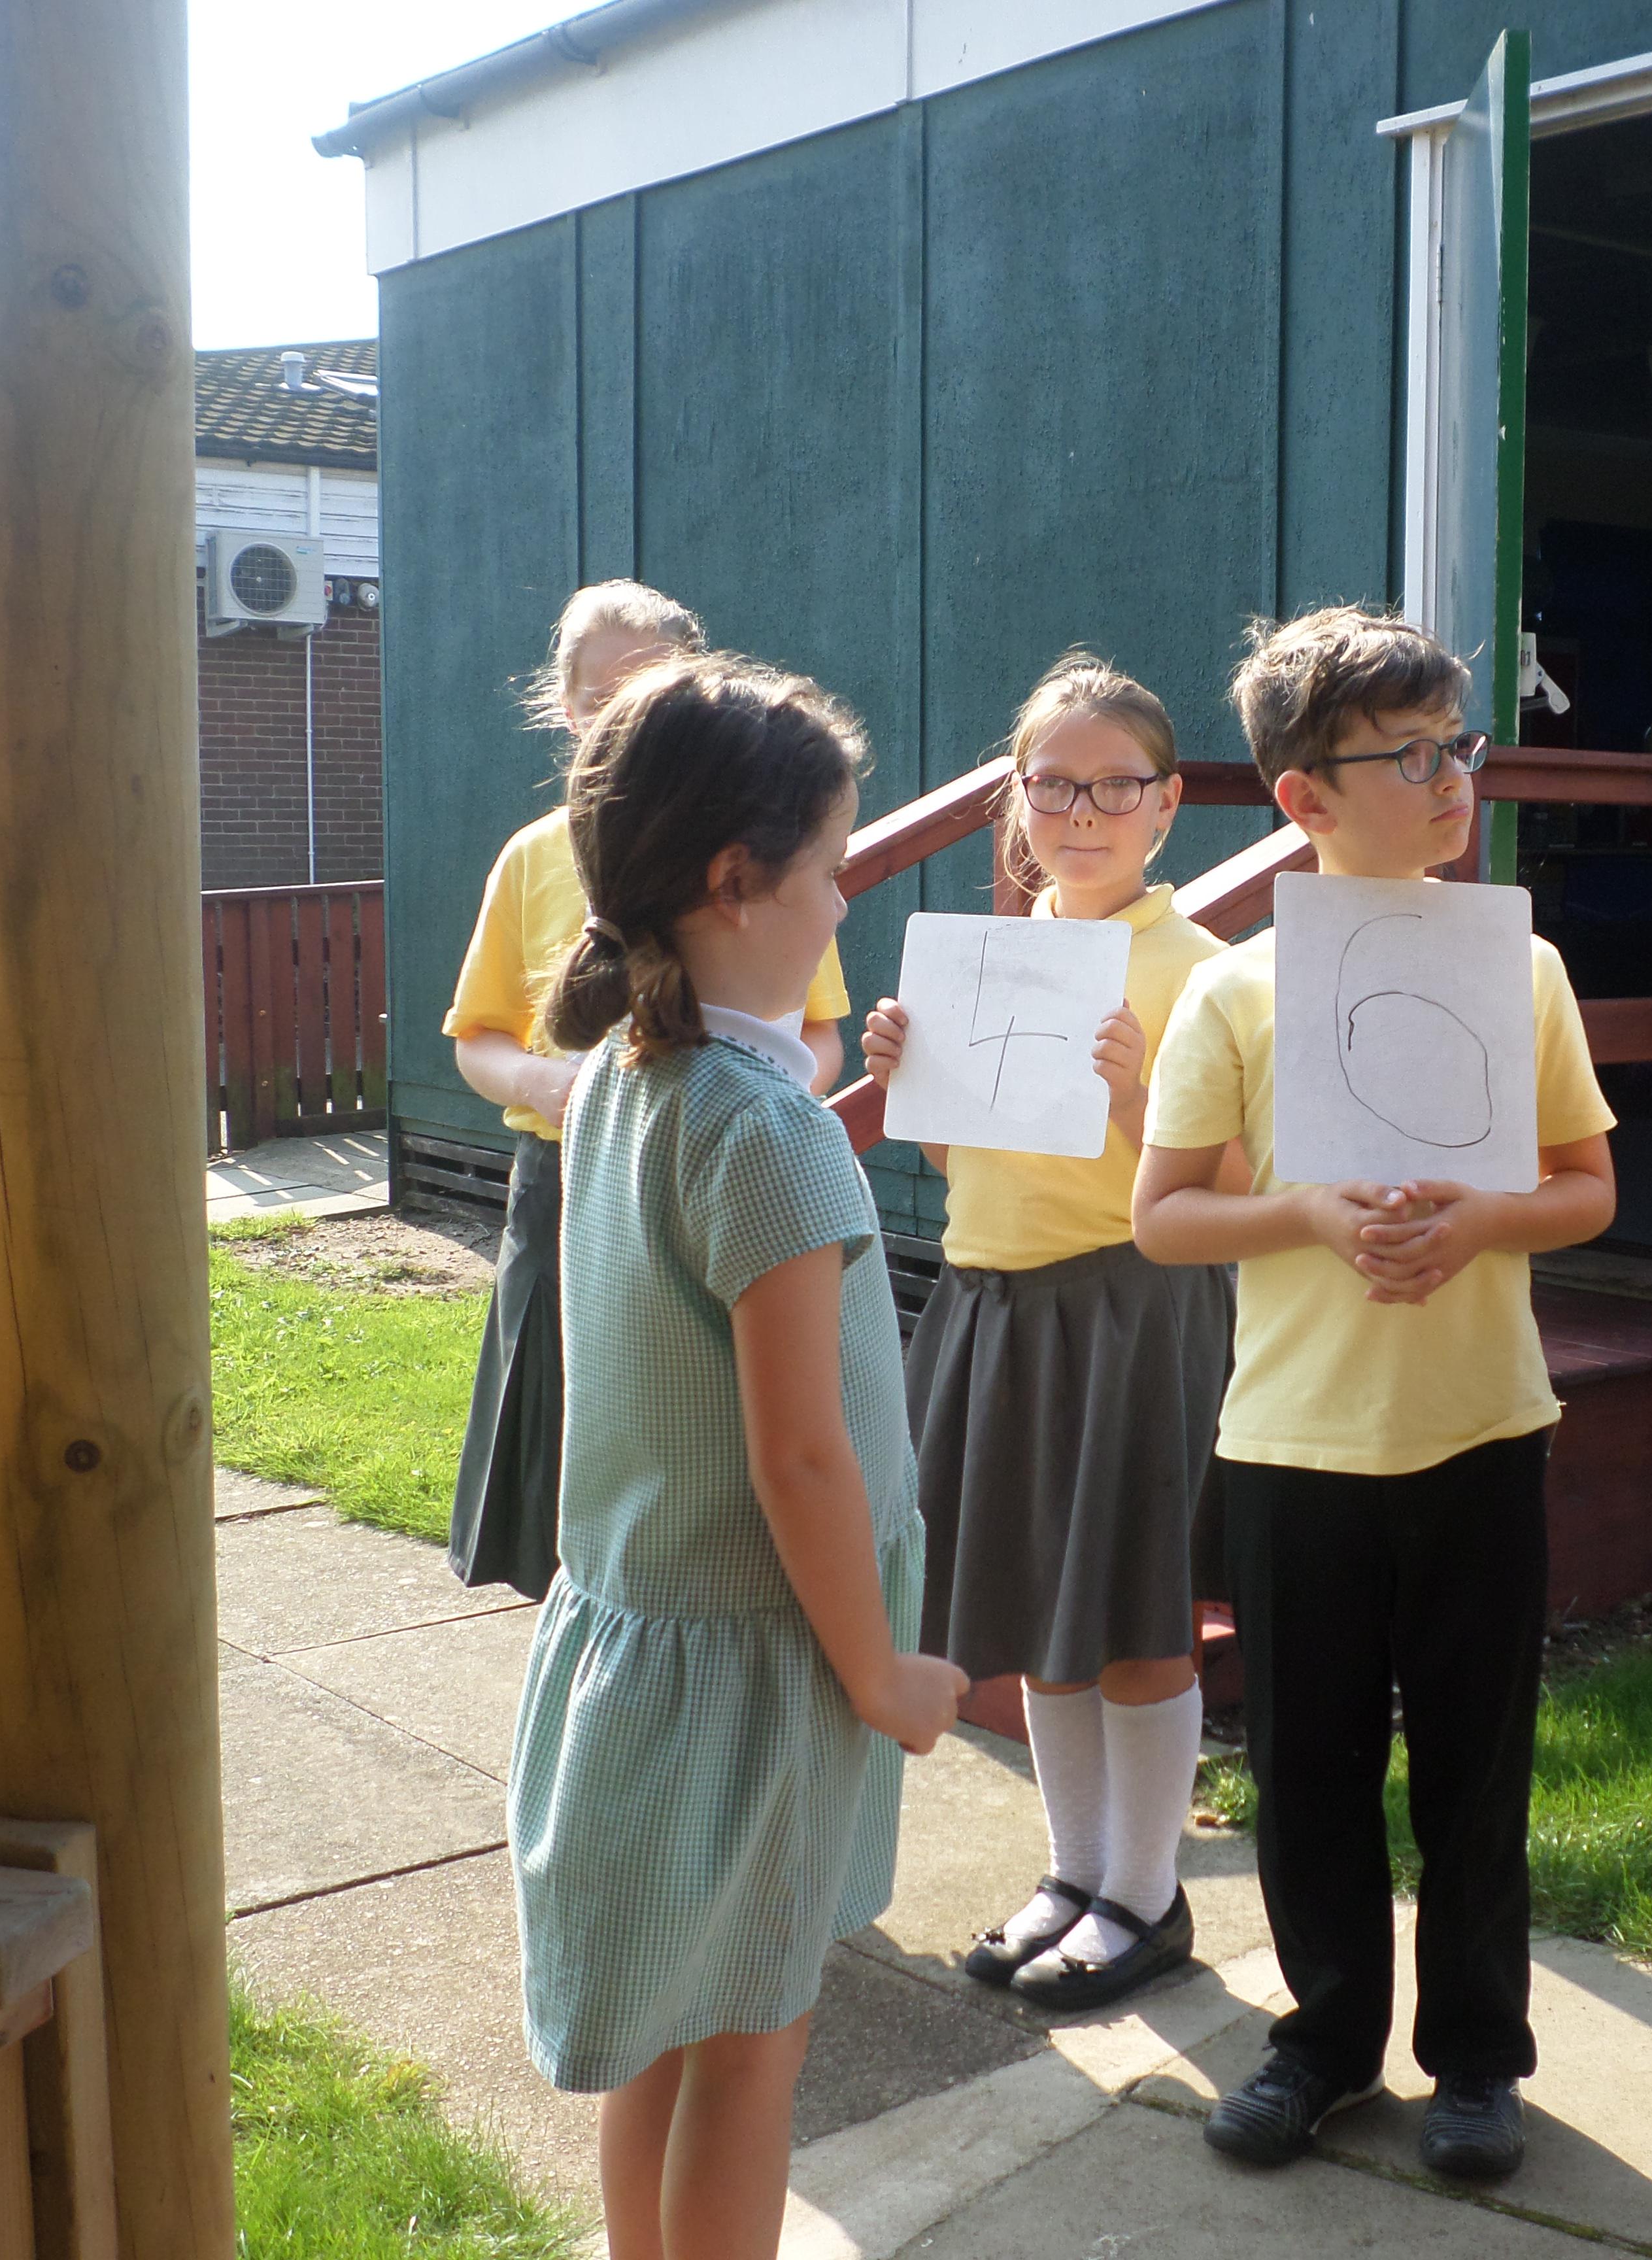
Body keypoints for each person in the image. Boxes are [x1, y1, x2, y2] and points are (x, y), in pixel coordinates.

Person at [1132, 604, 1618, 2183]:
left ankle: (1477, 2059)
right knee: (1311, 1772)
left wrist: (1482, 1220)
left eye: (1456, 744)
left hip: (1481, 1428)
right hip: (1295, 1446)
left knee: (1478, 1774)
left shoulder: (1521, 966)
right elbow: (1165, 1215)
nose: (1451, 776)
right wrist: (1310, 1215)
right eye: (1408, 757)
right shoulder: (1235, 993)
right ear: (1305, 799)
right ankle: (1326, 2041)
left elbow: (1589, 1187)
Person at [506, 649, 967, 2260]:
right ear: (735, 880)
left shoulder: (627, 1080)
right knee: (752, 2054)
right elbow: (804, 1462)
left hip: (649, 1646)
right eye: (832, 867)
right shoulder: (767, 1136)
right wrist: (881, 1674)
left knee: (667, 2030)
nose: (842, 902)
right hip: (764, 1665)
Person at [862, 653, 1234, 2010]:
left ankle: (1146, 1894)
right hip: (996, 1306)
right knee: (1040, 1614)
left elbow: (1240, 1189)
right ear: (1016, 800)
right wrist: (918, 1081)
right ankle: (1076, 1874)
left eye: (1115, 786)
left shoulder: (1207, 973)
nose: (1082, 812)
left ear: (1167, 804)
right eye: (1053, 784)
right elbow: (974, 1168)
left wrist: (1141, 1098)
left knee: (1135, 1618)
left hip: (1132, 1313)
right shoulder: (987, 962)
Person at [445, 582, 854, 1600]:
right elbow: (478, 1036)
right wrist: (545, 1081)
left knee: (698, 1440)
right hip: (566, 1177)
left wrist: (743, 1104)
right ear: (564, 708)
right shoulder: (534, 857)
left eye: (650, 689)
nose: (620, 714)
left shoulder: (765, 873)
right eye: (600, 698)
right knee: (576, 1454)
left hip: (706, 1172)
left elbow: (817, 1035)